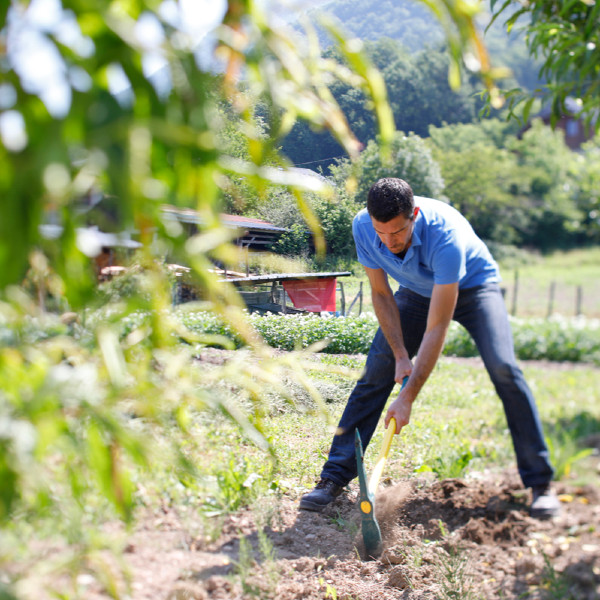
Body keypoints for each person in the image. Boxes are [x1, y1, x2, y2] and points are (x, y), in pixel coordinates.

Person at [299, 177, 559, 519]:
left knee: (504, 369)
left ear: (414, 215)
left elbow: (438, 326)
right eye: (382, 233)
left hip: (474, 288)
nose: (388, 242)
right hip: (416, 292)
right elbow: (380, 293)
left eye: (397, 233)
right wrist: (400, 354)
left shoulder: (444, 235)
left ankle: (540, 483)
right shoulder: (364, 226)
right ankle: (333, 478)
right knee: (375, 373)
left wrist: (407, 398)